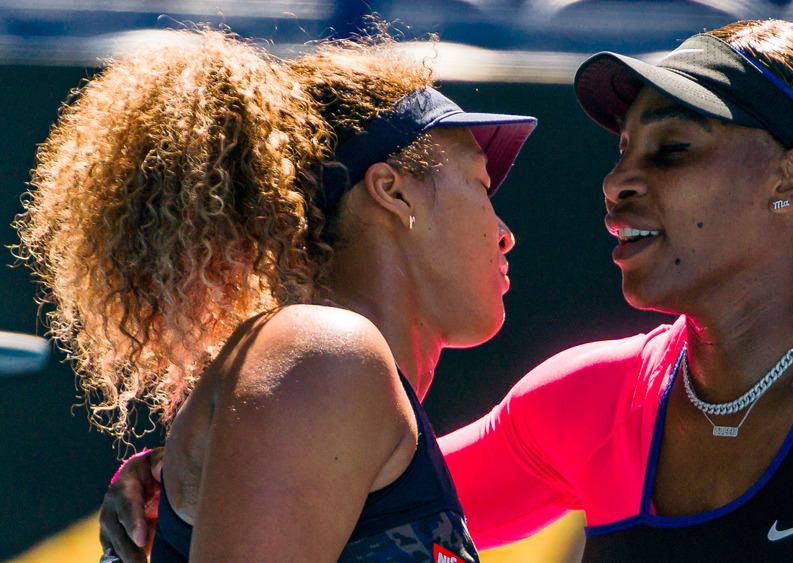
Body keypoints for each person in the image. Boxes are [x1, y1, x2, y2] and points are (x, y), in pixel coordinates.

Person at [99, 20, 793, 561]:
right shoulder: (594, 397)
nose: (617, 184)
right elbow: (335, 488)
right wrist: (176, 485)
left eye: (672, 149)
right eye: (620, 154)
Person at [16, 29, 535, 562]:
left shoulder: (324, 375)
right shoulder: (325, 355)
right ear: (392, 191)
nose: (503, 231)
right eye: (479, 183)